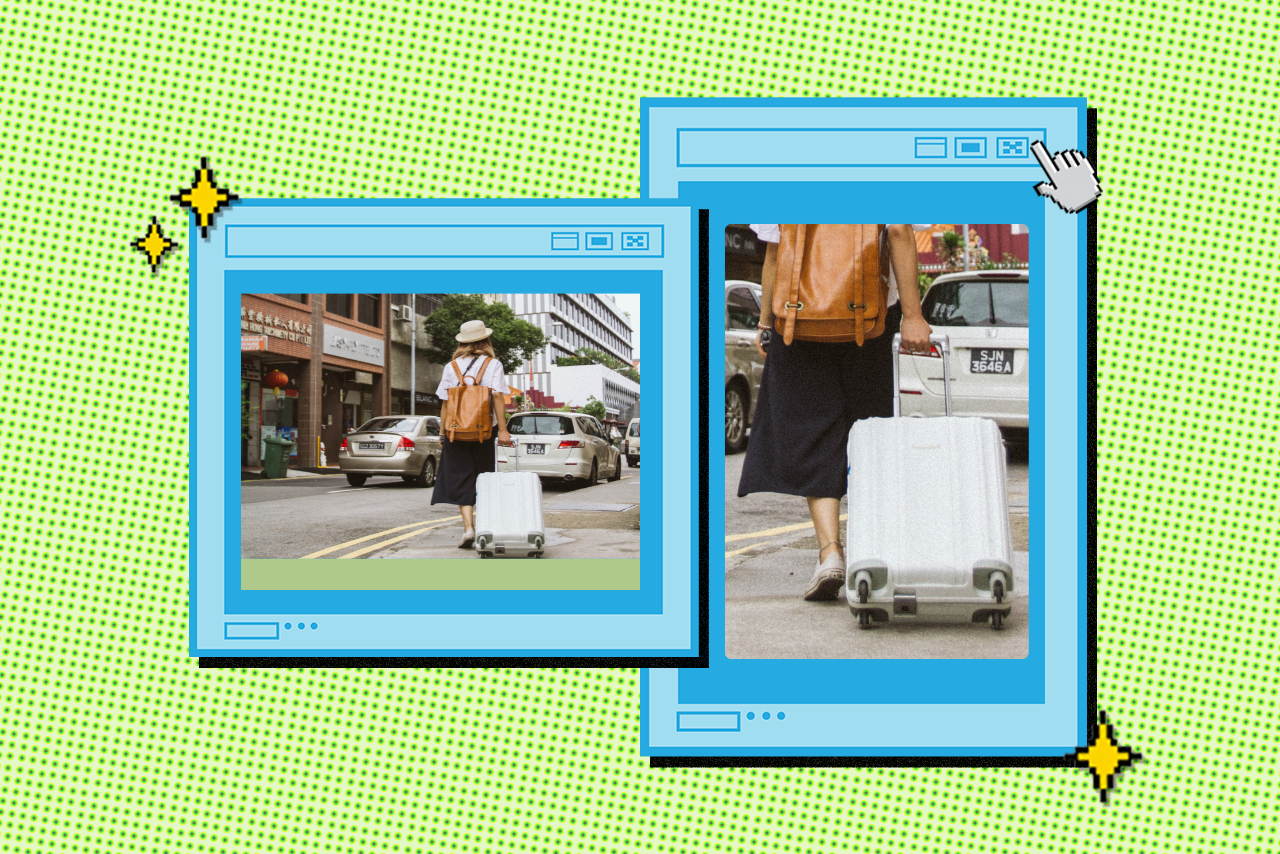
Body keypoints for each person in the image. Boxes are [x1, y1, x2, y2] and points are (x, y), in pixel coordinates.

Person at [737, 224, 934, 601]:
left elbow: (775, 251)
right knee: (866, 432)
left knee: (813, 429)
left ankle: (830, 554)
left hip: (799, 317)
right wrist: (912, 315)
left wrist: (766, 323)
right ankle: (870, 551)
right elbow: (898, 232)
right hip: (869, 318)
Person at [431, 319, 513, 548]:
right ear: (485, 340)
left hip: (455, 431)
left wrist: (442, 433)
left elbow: (446, 402)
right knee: (483, 477)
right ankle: (484, 524)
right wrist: (503, 431)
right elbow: (497, 396)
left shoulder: (452, 366)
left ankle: (468, 528)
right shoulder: (493, 364)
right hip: (483, 431)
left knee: (459, 476)